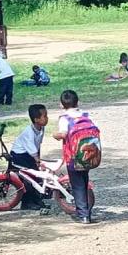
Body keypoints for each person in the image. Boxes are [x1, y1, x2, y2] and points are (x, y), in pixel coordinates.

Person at [53, 90, 93, 224]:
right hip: (88, 156)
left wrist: (55, 135)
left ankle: (83, 215)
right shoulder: (85, 115)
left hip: (73, 156)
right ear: (78, 102)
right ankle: (88, 212)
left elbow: (63, 134)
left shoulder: (65, 118)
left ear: (61, 104)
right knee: (84, 181)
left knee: (77, 186)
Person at [11, 104, 49, 210]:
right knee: (27, 179)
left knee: (37, 176)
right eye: (44, 116)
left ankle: (36, 199)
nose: (47, 118)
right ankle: (26, 202)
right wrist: (38, 161)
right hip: (20, 155)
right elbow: (32, 149)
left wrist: (38, 159)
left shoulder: (41, 128)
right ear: (36, 119)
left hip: (29, 155)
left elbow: (38, 145)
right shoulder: (29, 132)